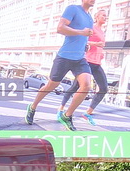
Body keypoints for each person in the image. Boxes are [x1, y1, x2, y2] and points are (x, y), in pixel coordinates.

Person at [25, 0, 95, 131]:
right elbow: (60, 28)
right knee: (52, 85)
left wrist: (85, 43)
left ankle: (67, 115)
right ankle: (33, 106)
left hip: (80, 58)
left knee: (86, 85)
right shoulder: (72, 9)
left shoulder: (90, 18)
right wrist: (81, 33)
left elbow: (84, 36)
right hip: (64, 56)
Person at [57, 7, 109, 127]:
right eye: (103, 15)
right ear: (96, 17)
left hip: (97, 63)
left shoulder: (102, 31)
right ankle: (61, 109)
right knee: (75, 87)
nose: (105, 18)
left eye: (106, 16)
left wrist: (101, 53)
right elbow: (83, 39)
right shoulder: (92, 27)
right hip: (87, 61)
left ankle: (88, 113)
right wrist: (96, 44)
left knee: (104, 88)